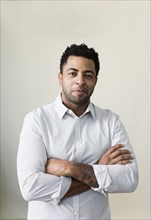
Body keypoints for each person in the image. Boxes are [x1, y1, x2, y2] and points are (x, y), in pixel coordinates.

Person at [17, 43, 138, 220]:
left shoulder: (111, 122)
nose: (80, 81)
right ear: (60, 78)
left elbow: (129, 179)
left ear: (96, 80)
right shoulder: (36, 120)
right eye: (72, 73)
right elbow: (29, 188)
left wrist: (69, 168)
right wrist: (101, 169)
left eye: (88, 75)